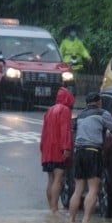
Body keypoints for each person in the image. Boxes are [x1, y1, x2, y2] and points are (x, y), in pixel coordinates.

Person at [70, 91, 112, 223]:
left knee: (78, 189)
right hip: (93, 152)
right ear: (99, 102)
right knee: (93, 188)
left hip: (79, 152)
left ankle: (71, 221)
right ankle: (86, 221)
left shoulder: (80, 115)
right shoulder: (102, 113)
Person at [41, 86, 75, 214]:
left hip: (47, 149)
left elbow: (44, 132)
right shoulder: (65, 110)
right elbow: (65, 130)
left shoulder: (49, 111)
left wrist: (42, 148)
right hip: (58, 149)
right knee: (58, 178)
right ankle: (55, 208)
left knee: (50, 179)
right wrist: (66, 147)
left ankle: (51, 207)